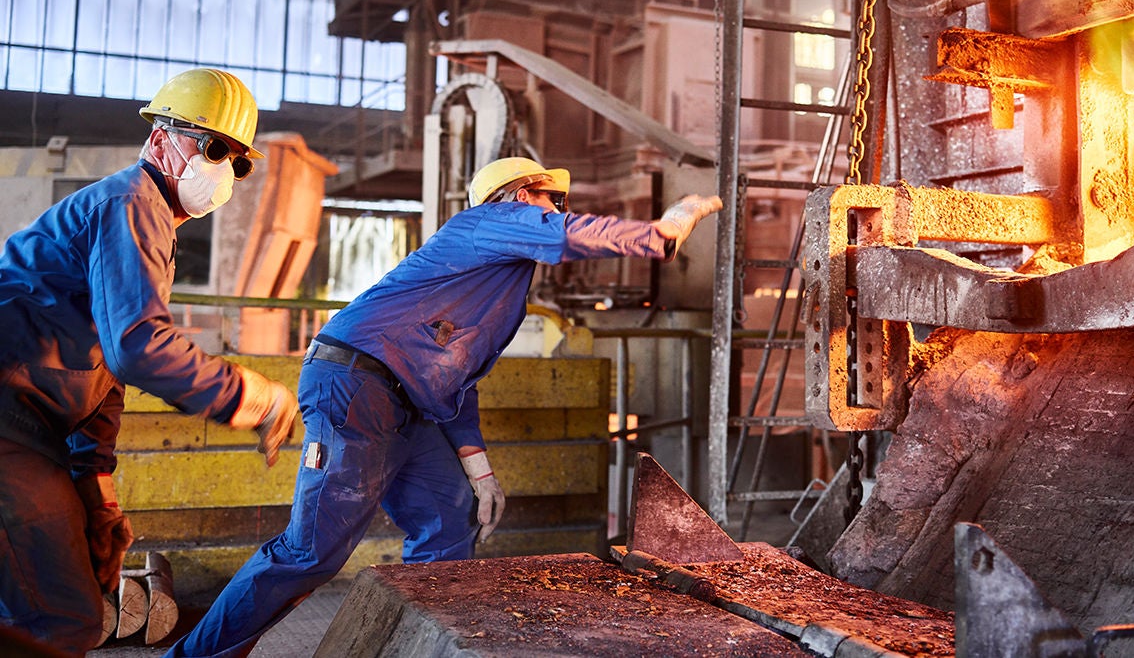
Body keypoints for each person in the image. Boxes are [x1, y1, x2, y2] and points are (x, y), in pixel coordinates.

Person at [167, 156, 722, 658]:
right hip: (354, 386)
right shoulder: (484, 223)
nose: (559, 211)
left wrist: (479, 469)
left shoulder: (497, 287)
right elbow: (565, 234)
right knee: (308, 553)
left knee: (448, 518)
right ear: (521, 196)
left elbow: (454, 379)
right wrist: (667, 227)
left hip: (408, 405)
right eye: (554, 200)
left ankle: (416, 649)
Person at [0, 68, 298, 656]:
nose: (222, 171)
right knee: (59, 619)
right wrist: (248, 395)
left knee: (64, 613)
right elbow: (136, 346)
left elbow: (103, 374)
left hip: (32, 432)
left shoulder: (152, 224)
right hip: (8, 423)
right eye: (211, 147)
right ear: (161, 138)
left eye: (236, 161)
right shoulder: (129, 202)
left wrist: (98, 492)